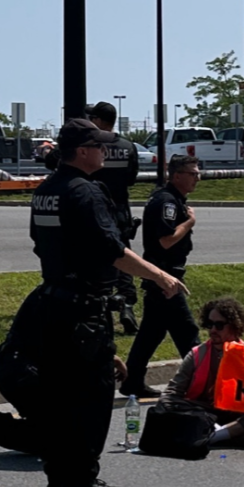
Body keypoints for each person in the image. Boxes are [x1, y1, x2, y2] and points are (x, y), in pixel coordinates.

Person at [28, 117, 185, 487]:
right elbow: (111, 251)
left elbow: (39, 241)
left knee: (57, 394)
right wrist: (162, 278)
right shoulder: (85, 192)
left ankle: (58, 474)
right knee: (92, 396)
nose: (105, 152)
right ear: (83, 152)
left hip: (52, 302)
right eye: (99, 147)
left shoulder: (46, 190)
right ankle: (80, 478)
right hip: (84, 307)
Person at [0, 285, 127, 458]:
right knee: (63, 443)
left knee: (70, 434)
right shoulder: (65, 296)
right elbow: (65, 342)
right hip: (24, 374)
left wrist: (111, 358)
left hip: (22, 369)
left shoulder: (57, 291)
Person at [119, 155, 201, 399]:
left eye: (198, 173)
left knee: (151, 334)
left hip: (163, 275)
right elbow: (165, 240)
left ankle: (132, 380)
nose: (197, 177)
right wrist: (189, 222)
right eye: (192, 173)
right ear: (177, 176)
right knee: (188, 333)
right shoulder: (167, 202)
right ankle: (202, 383)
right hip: (165, 277)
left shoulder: (170, 198)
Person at [161, 297, 244, 448]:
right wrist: (165, 408)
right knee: (166, 405)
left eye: (219, 325)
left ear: (235, 326)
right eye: (209, 324)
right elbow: (173, 391)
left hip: (236, 414)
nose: (212, 330)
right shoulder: (198, 354)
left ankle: (218, 435)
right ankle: (229, 435)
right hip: (203, 413)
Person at [86, 101, 141, 335]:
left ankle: (102, 306)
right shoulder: (128, 146)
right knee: (122, 255)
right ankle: (126, 305)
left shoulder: (93, 146)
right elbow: (131, 178)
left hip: (96, 209)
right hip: (121, 210)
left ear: (98, 121)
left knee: (94, 258)